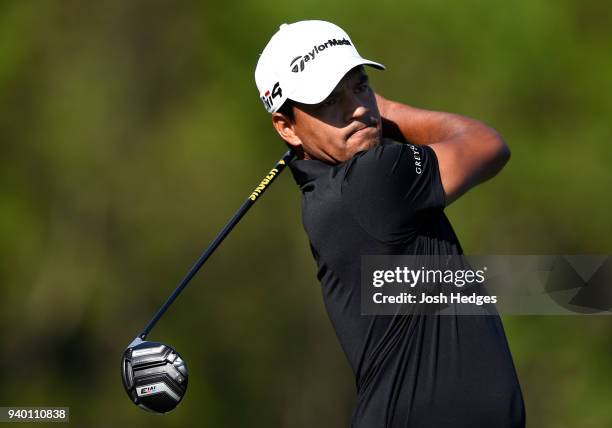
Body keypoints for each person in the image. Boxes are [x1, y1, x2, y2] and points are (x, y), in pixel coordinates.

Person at [255, 20, 526, 427]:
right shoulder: (372, 180)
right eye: (330, 99)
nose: (357, 108)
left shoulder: (329, 194)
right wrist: (386, 111)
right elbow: (487, 145)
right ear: (286, 127)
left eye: (359, 85)